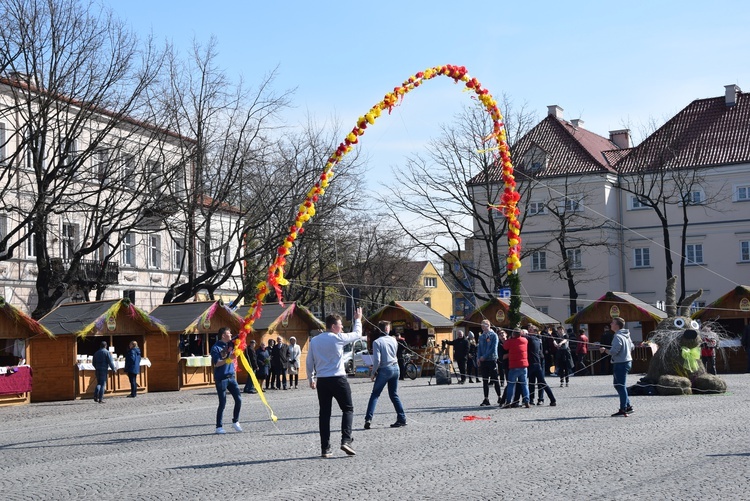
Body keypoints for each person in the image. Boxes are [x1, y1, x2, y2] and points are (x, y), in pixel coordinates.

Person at [306, 307, 363, 458]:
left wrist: (311, 378)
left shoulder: (315, 340)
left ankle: (325, 448)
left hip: (322, 381)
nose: (342, 327)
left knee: (324, 414)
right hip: (338, 379)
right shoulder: (337, 338)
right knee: (348, 409)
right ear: (333, 327)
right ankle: (346, 440)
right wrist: (358, 319)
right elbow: (358, 334)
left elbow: (309, 361)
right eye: (340, 325)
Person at [364, 321, 406, 429]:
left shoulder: (377, 342)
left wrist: (373, 373)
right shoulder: (393, 340)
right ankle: (402, 418)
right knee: (394, 395)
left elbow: (377, 360)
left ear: (379, 329)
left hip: (385, 369)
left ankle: (368, 419)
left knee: (375, 394)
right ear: (388, 329)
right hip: (395, 368)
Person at [210, 327, 242, 434]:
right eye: (229, 333)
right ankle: (219, 426)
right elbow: (217, 363)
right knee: (222, 402)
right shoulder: (216, 348)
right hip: (221, 378)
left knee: (239, 399)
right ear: (223, 335)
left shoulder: (231, 344)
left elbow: (240, 337)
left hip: (231, 377)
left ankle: (235, 421)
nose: (231, 335)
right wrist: (228, 359)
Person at [600, 317, 634, 417]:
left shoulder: (618, 336)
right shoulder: (626, 335)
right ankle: (627, 406)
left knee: (620, 385)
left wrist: (605, 350)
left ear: (617, 325)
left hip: (621, 363)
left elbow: (614, 351)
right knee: (619, 385)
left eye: (612, 323)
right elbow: (632, 347)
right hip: (627, 361)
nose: (610, 324)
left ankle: (623, 408)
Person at [526, 325, 556, 406]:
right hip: (533, 363)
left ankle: (541, 399)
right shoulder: (534, 339)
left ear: (535, 331)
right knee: (532, 382)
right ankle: (531, 399)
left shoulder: (533, 339)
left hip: (538, 363)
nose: (529, 331)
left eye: (531, 330)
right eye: (528, 329)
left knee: (541, 383)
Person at [501, 328, 531, 409]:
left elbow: (505, 346)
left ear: (513, 334)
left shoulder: (510, 341)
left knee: (511, 385)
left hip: (514, 366)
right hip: (523, 366)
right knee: (524, 385)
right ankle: (527, 401)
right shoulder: (525, 340)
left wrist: (510, 338)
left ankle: (508, 402)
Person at [477, 320, 502, 406]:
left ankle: (499, 396)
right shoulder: (481, 336)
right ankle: (486, 398)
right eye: (481, 325)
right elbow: (479, 348)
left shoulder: (494, 335)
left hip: (491, 359)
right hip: (483, 361)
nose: (482, 327)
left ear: (488, 325)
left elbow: (493, 348)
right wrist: (478, 358)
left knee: (495, 379)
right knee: (485, 380)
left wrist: (485, 356)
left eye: (484, 325)